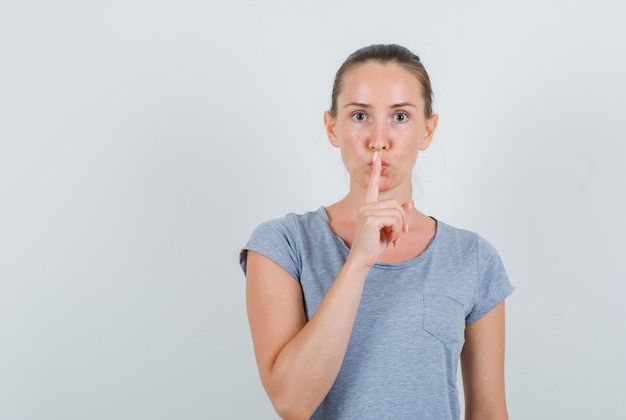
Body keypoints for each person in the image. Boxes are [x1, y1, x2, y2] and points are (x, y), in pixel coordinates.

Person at [240, 44, 514, 420]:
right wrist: (358, 263)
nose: (379, 139)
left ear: (427, 131)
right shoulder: (283, 245)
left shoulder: (473, 258)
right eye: (359, 116)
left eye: (400, 116)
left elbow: (489, 412)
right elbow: (291, 402)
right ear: (332, 127)